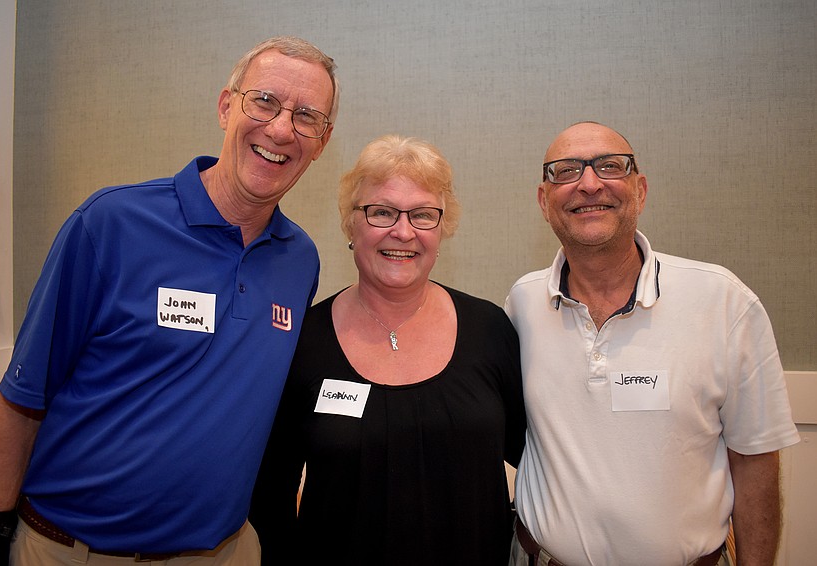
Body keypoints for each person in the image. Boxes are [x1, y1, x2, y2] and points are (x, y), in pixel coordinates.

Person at [0, 36, 339, 566]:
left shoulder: (299, 260)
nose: (281, 129)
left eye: (307, 116)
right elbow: (22, 399)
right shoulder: (111, 225)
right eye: (264, 101)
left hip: (222, 552)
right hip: (75, 551)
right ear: (225, 106)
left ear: (322, 142)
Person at [505, 121, 800, 566]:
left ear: (640, 191)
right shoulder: (522, 304)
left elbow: (755, 460)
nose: (588, 184)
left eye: (609, 166)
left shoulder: (723, 301)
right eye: (565, 171)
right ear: (545, 202)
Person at [249, 134, 526, 565]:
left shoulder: (490, 330)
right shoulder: (303, 342)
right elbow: (271, 494)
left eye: (422, 214)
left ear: (443, 227)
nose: (403, 231)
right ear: (351, 224)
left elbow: (535, 459)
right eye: (381, 212)